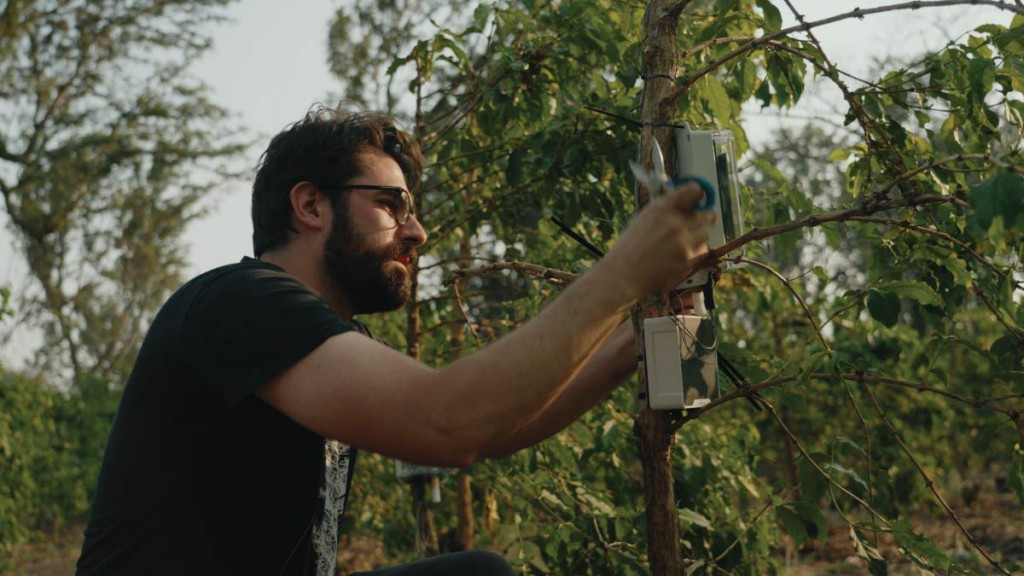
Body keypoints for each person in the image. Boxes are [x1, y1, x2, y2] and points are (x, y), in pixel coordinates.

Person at [76, 106, 708, 576]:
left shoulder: (321, 334)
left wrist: (630, 345)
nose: (417, 231)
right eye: (391, 205)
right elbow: (450, 421)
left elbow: (491, 429)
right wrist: (622, 273)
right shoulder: (238, 302)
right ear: (311, 206)